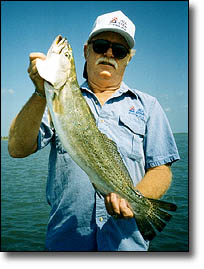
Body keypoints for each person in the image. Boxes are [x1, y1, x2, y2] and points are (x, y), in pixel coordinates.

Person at [8, 10, 180, 251]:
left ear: (128, 58)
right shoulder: (53, 101)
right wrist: (40, 92)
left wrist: (134, 199)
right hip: (66, 245)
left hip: (126, 247)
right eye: (101, 46)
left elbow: (161, 169)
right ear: (86, 50)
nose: (109, 54)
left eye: (119, 51)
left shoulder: (148, 106)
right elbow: (17, 148)